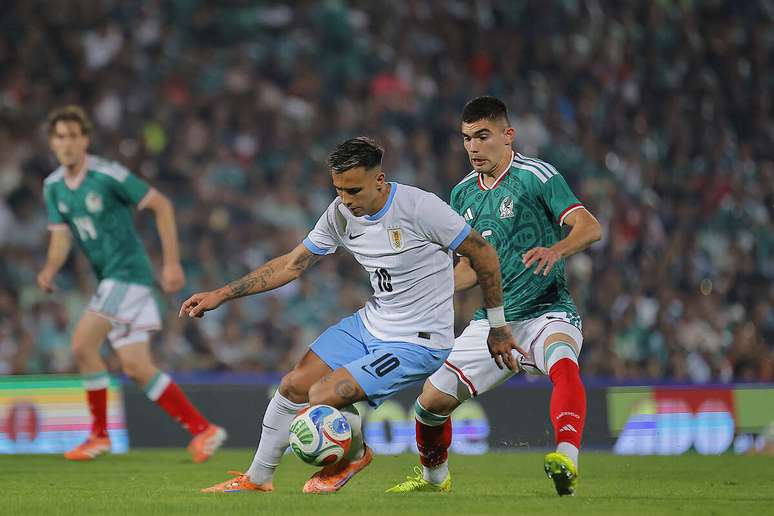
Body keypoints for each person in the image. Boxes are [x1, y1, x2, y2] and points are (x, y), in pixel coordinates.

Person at [180, 136, 521, 494]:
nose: (346, 200)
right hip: (369, 323)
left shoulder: (420, 208)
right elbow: (292, 264)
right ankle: (258, 479)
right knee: (294, 385)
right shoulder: (340, 213)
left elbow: (484, 255)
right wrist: (221, 294)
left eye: (353, 190)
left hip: (417, 341)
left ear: (379, 179)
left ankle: (355, 454)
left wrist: (497, 326)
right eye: (339, 189)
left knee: (324, 396)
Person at [387, 96, 602, 496]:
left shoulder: (537, 175)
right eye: (467, 138)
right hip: (493, 321)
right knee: (430, 404)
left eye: (483, 136)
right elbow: (470, 265)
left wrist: (557, 249)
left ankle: (567, 459)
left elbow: (589, 227)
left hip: (546, 310)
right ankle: (435, 480)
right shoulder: (461, 194)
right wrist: (435, 289)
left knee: (562, 360)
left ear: (508, 136)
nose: (473, 147)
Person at [37, 106, 226, 462]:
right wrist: (49, 269)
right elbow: (60, 237)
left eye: (73, 136)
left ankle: (98, 435)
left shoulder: (107, 175)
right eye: (60, 136)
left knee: (82, 345)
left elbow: (162, 205)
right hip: (113, 280)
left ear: (85, 140)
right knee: (136, 367)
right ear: (52, 142)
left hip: (127, 275)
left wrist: (171, 263)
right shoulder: (53, 187)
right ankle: (204, 430)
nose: (67, 143)